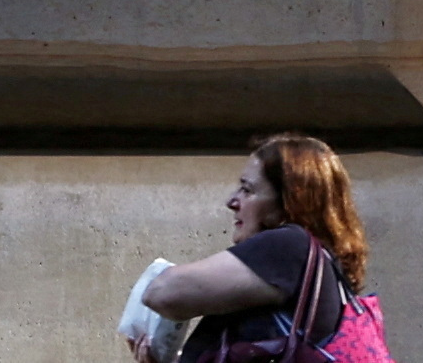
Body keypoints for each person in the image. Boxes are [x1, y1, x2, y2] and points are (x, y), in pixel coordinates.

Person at [120, 140, 374, 363]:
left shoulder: (288, 246)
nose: (232, 202)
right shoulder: (322, 266)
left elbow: (162, 293)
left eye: (247, 189)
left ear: (288, 201)